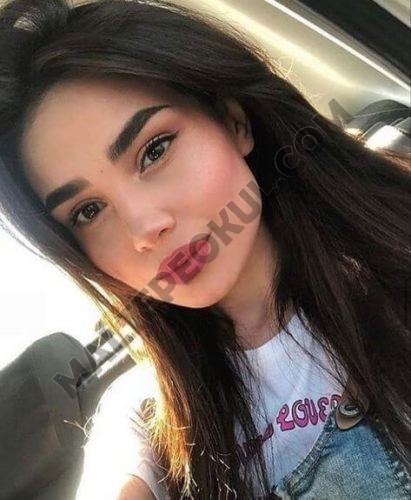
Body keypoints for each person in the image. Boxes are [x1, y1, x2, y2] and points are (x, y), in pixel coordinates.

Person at [0, 0, 410, 498]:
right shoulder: (153, 422)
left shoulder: (395, 245)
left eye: (154, 150)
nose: (144, 229)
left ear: (234, 122)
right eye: (88, 211)